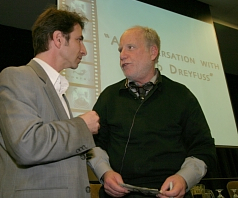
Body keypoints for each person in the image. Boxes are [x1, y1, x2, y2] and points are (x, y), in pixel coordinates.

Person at [88, 26, 216, 198]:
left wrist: (183, 179)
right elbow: (92, 144)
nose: (122, 55)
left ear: (153, 52)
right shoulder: (109, 96)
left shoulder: (182, 95)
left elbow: (203, 149)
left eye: (130, 47)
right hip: (118, 194)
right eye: (120, 49)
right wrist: (104, 173)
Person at [0, 6, 100, 198]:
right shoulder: (16, 77)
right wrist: (82, 126)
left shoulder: (57, 89)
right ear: (58, 39)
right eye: (79, 40)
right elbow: (26, 144)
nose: (84, 50)